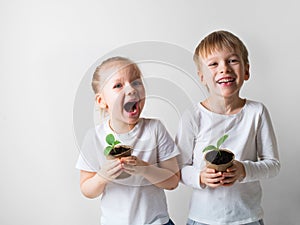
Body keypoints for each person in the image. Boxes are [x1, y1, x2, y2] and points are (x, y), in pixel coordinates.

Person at [175, 30, 280, 225]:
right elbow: (178, 168)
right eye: (213, 64)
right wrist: (200, 177)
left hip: (247, 218)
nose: (224, 69)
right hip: (202, 219)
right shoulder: (192, 116)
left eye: (232, 60)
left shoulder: (256, 112)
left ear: (246, 71)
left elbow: (273, 165)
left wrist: (244, 170)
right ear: (202, 77)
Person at [76, 56, 180, 225]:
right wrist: (102, 176)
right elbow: (87, 189)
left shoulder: (155, 129)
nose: (131, 89)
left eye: (136, 82)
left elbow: (173, 180)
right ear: (102, 101)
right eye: (118, 85)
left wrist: (144, 169)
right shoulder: (94, 137)